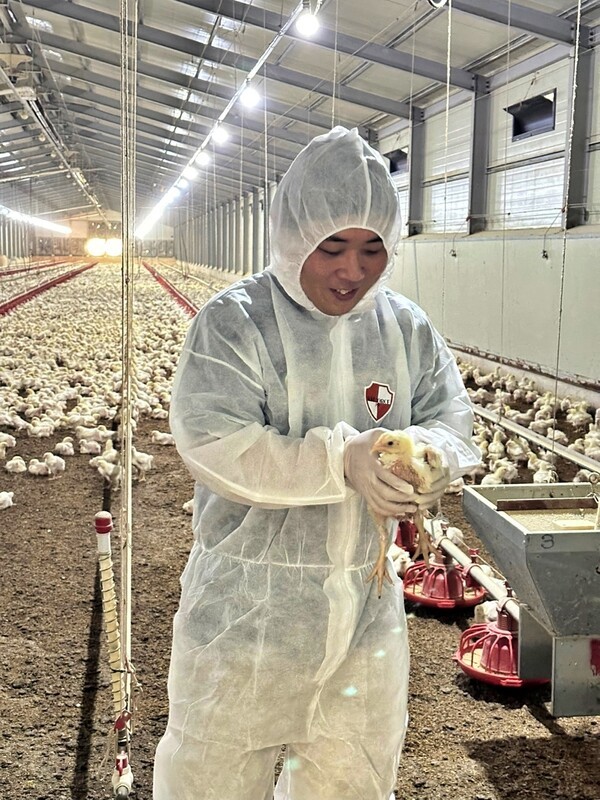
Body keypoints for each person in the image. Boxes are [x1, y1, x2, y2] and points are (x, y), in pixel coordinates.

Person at [153, 126, 480, 800]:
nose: (352, 271)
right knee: (212, 781)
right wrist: (342, 461)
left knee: (349, 783)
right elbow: (215, 442)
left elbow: (450, 416)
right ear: (293, 236)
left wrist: (427, 460)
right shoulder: (236, 322)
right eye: (332, 248)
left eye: (372, 249)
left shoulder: (405, 327)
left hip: (364, 619)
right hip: (247, 617)